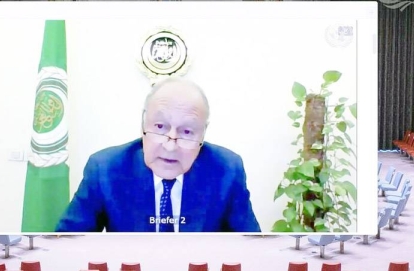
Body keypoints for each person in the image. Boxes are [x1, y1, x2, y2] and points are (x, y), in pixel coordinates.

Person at [55, 77, 260, 232]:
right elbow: (67, 243)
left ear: (203, 133)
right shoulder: (105, 169)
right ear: (143, 122)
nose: (170, 146)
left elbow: (249, 248)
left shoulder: (227, 170)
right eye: (160, 126)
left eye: (187, 132)